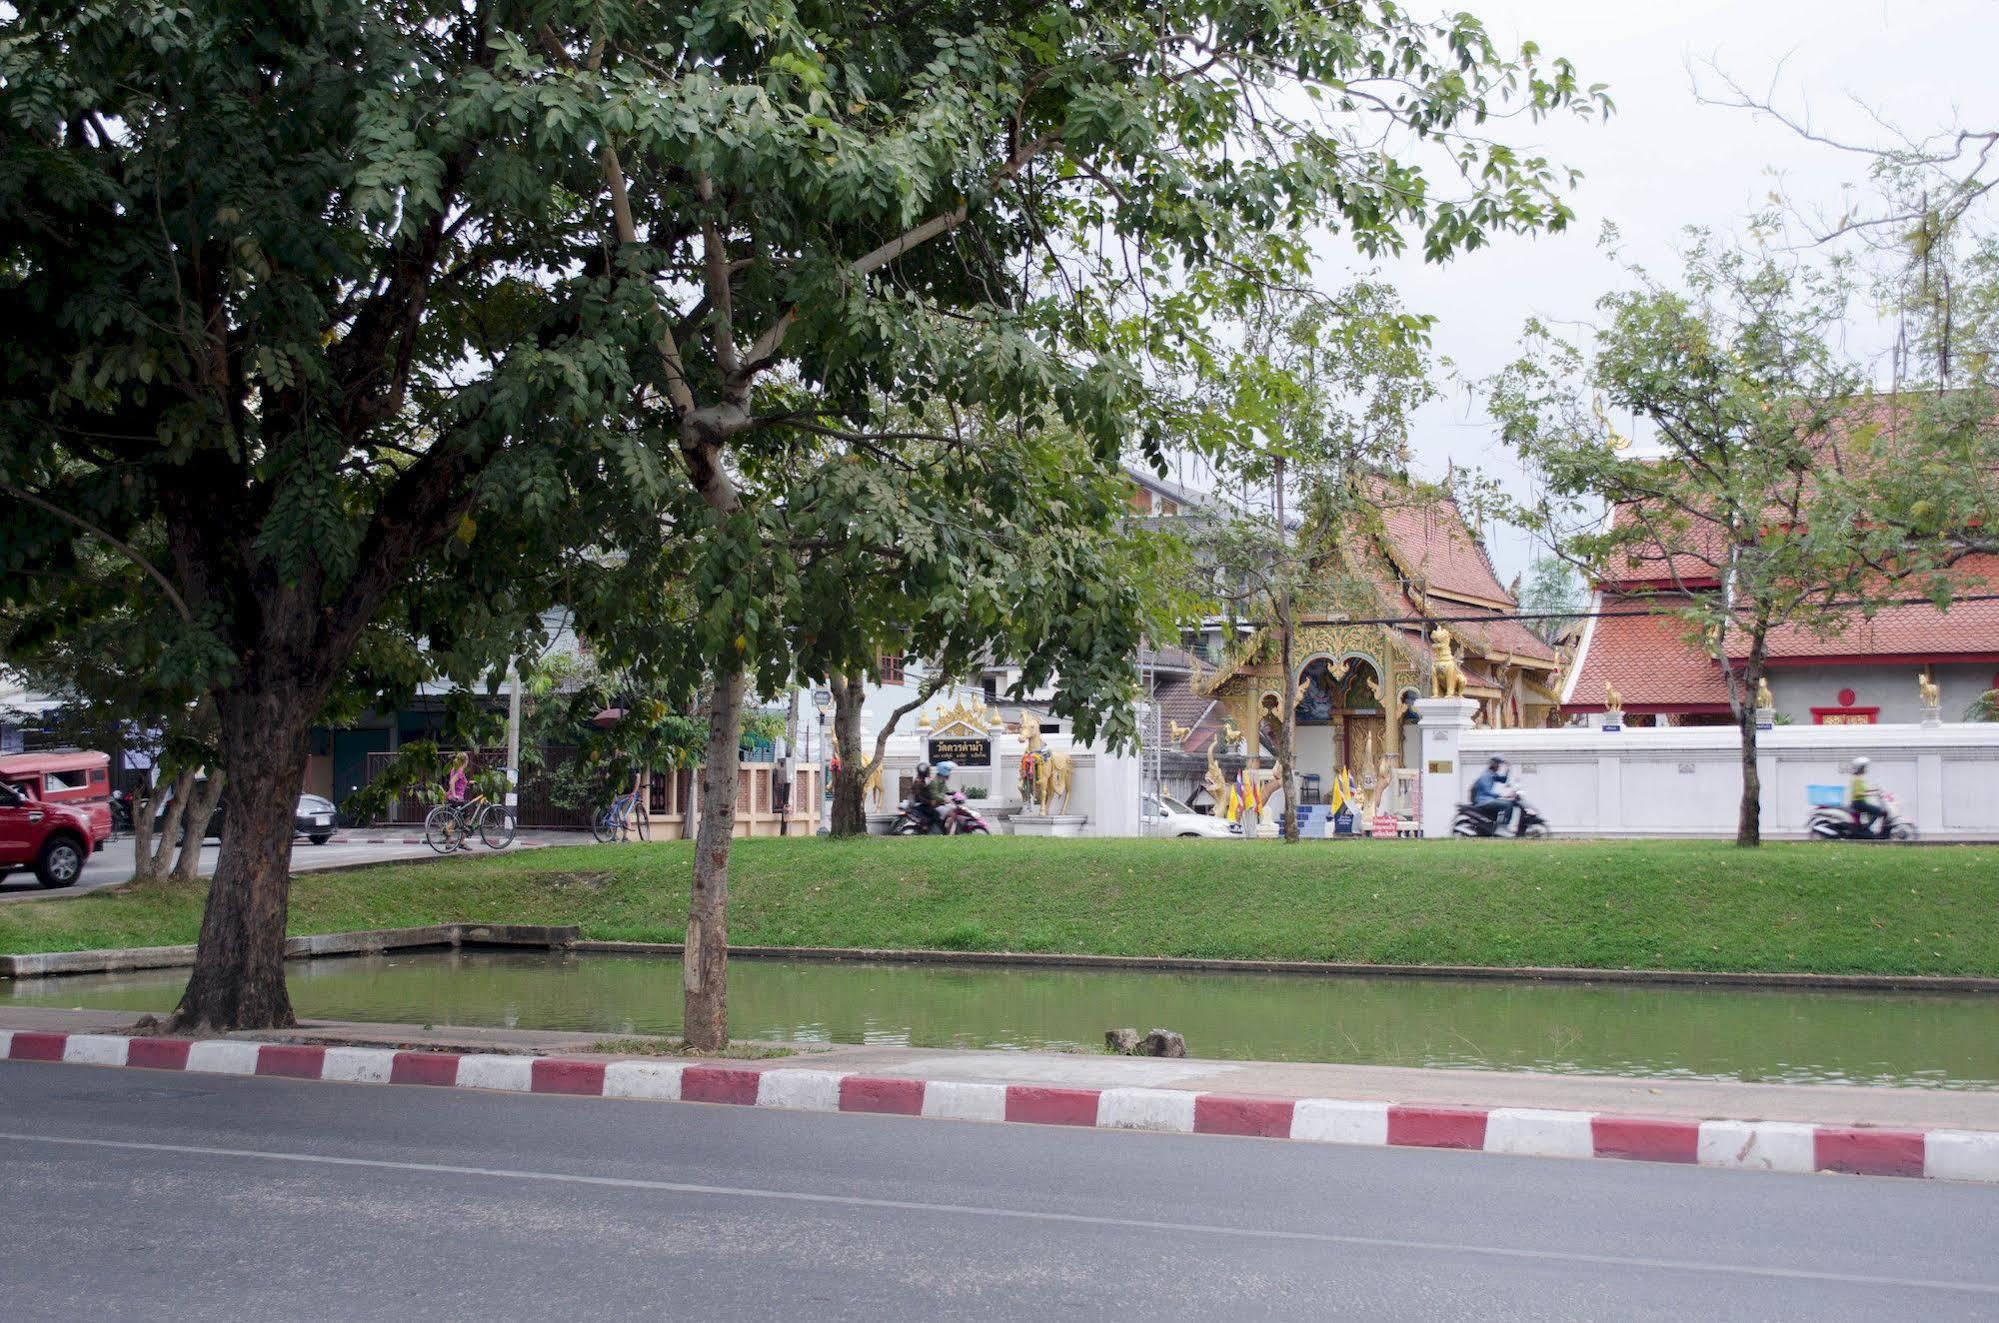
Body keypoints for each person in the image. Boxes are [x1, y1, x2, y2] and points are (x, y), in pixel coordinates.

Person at [1470, 755, 1517, 835]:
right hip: (1483, 801)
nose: (1499, 767)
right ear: (1493, 765)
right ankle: (1502, 827)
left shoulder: (1491, 774)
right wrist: (1503, 795)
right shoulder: (1486, 775)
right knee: (1507, 804)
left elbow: (1503, 780)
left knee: (1504, 804)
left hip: (1487, 799)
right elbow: (1487, 792)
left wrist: (1507, 769)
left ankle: (1498, 825)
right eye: (1498, 764)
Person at [1849, 756, 1886, 837]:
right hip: (1858, 803)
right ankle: (1866, 828)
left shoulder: (1859, 778)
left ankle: (1867, 828)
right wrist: (1871, 794)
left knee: (1875, 811)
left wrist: (1875, 790)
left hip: (1861, 802)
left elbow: (1863, 790)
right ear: (1860, 768)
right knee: (1879, 811)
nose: (1866, 769)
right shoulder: (1856, 779)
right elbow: (1857, 793)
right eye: (1864, 767)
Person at [909, 762, 943, 834]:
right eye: (928, 770)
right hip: (919, 805)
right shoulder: (918, 782)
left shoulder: (923, 780)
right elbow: (919, 797)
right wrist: (929, 802)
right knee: (936, 814)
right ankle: (931, 831)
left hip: (923, 804)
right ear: (923, 771)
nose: (929, 772)